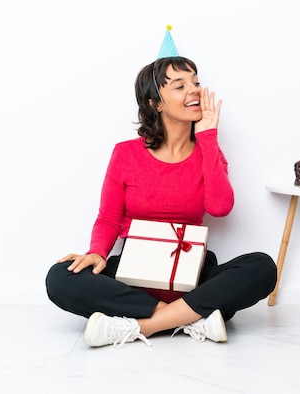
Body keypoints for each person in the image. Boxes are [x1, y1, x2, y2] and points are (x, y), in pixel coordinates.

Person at [45, 56, 277, 348]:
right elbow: (108, 218)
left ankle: (140, 325)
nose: (194, 90)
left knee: (262, 267)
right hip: (134, 275)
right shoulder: (125, 154)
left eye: (196, 83)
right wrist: (97, 252)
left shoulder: (209, 150)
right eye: (179, 86)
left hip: (193, 276)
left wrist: (207, 136)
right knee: (59, 277)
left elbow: (220, 208)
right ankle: (190, 317)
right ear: (156, 103)